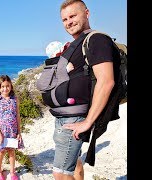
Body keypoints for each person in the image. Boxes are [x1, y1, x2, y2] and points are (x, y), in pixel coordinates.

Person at [50, 0, 121, 179]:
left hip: (75, 118)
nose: (69, 22)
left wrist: (88, 121)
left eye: (73, 16)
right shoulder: (77, 44)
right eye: (64, 19)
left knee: (60, 174)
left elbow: (106, 81)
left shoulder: (96, 39)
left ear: (87, 14)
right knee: (74, 165)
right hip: (64, 116)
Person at [0, 75, 24, 180]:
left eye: (7, 86)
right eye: (2, 86)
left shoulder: (15, 99)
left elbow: (17, 116)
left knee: (12, 151)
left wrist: (19, 132)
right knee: (1, 152)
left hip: (12, 131)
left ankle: (12, 172)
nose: (5, 89)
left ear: (11, 86)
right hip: (2, 132)